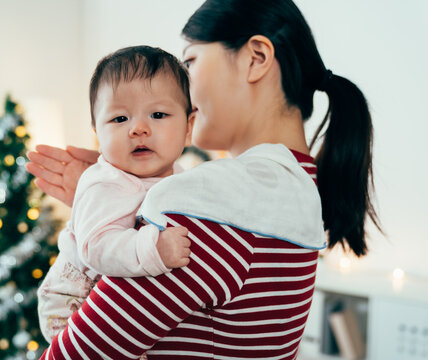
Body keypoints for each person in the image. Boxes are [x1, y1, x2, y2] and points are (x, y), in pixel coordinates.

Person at [26, 0, 381, 358]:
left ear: (256, 58)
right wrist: (109, 197)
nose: (185, 87)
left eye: (190, 62)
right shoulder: (296, 186)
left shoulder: (212, 202)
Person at [36, 46, 194, 343]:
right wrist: (155, 249)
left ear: (189, 126)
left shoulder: (182, 180)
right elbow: (96, 247)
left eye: (158, 114)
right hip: (73, 302)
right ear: (97, 131)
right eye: (119, 119)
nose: (138, 128)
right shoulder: (102, 183)